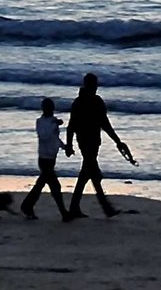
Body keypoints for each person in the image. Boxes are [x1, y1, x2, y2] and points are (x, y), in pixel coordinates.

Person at [64, 72, 134, 220]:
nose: (96, 87)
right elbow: (103, 124)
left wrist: (117, 141)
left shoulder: (81, 102)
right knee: (91, 173)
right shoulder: (93, 102)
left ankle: (76, 207)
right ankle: (104, 208)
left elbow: (101, 124)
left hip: (89, 142)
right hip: (88, 142)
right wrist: (69, 145)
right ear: (89, 85)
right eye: (94, 84)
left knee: (89, 173)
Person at [19, 97, 69, 219]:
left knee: (42, 184)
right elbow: (44, 136)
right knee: (54, 186)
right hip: (44, 158)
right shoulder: (40, 122)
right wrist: (54, 125)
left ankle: (27, 206)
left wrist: (65, 147)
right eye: (48, 108)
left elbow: (55, 138)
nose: (51, 110)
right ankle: (63, 213)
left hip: (51, 158)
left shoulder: (52, 121)